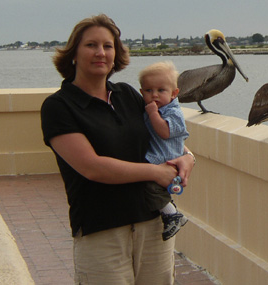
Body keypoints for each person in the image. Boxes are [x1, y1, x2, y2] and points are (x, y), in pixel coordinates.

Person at [40, 14, 196, 285]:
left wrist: (187, 157)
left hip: (152, 224)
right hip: (102, 231)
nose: (101, 52)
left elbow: (163, 138)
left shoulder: (128, 95)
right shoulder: (60, 106)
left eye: (108, 46)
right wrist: (156, 173)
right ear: (74, 53)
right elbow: (92, 167)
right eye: (91, 45)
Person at [139, 61, 190, 241]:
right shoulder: (155, 107)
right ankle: (170, 212)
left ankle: (172, 214)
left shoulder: (172, 112)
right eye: (148, 91)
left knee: (149, 185)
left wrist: (152, 114)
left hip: (165, 159)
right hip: (157, 156)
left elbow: (164, 132)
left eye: (161, 90)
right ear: (141, 92)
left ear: (174, 93)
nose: (154, 95)